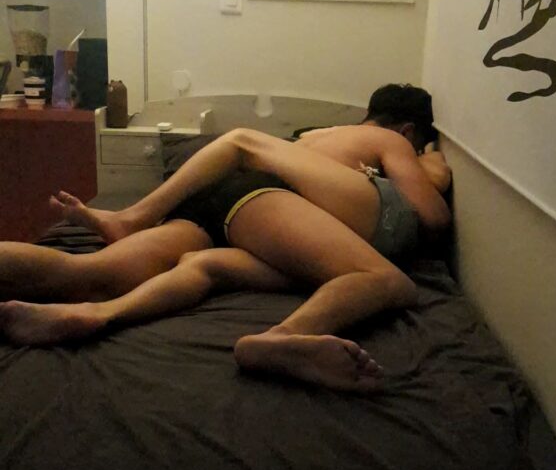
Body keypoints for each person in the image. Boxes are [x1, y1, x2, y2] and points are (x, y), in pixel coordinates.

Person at [0, 85, 451, 391]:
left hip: (219, 208)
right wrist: (427, 166)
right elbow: (433, 218)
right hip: (263, 203)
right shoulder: (391, 142)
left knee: (94, 272)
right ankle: (282, 336)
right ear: (408, 130)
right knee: (388, 280)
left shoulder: (312, 139)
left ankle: (97, 312)